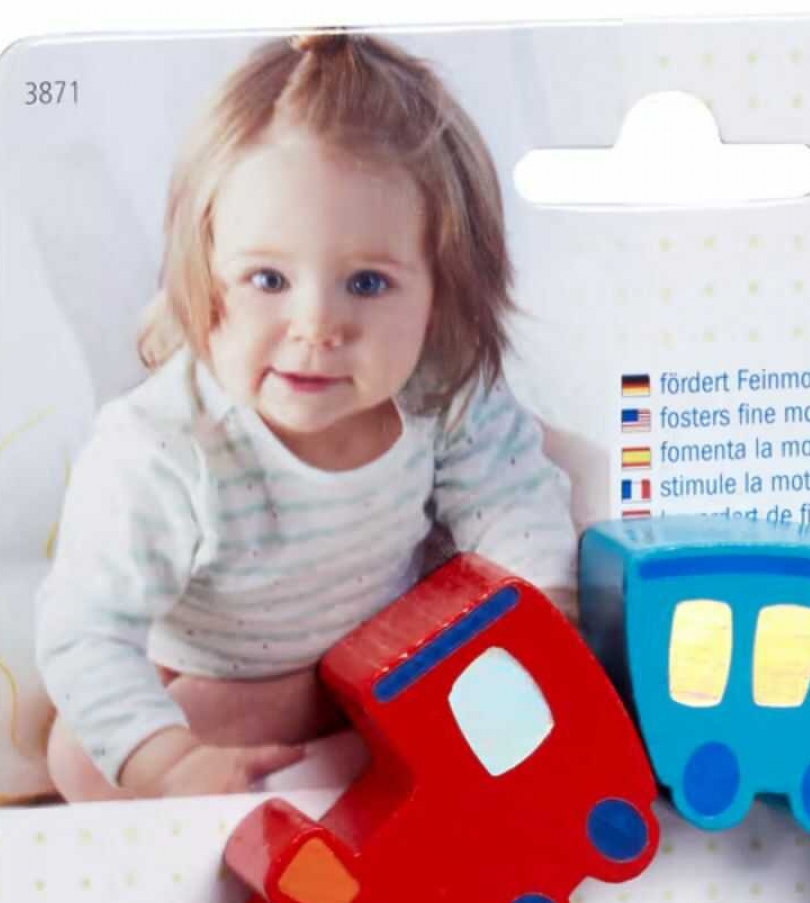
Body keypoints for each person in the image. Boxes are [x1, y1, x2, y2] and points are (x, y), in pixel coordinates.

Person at [37, 32, 577, 801]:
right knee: (82, 756)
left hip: (389, 658)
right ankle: (337, 763)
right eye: (267, 279)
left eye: (367, 283)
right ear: (199, 271)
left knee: (561, 517)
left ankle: (371, 755)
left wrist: (546, 627)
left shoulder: (439, 388)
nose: (317, 326)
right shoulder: (163, 447)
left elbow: (514, 505)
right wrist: (171, 761)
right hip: (227, 682)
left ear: (442, 291)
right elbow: (87, 631)